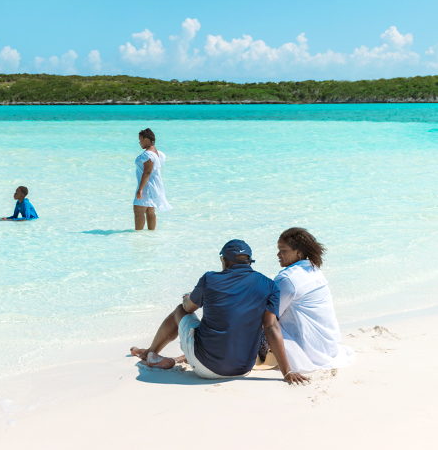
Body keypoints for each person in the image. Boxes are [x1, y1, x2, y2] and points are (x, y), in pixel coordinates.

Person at [130, 239, 308, 384]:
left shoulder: (210, 279)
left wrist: (188, 297)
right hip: (243, 368)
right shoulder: (269, 285)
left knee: (179, 311)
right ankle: (157, 354)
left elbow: (187, 308)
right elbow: (271, 328)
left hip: (205, 368)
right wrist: (287, 372)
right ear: (249, 261)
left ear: (225, 260)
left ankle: (150, 353)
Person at [273, 227, 354, 373]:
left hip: (308, 351)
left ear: (298, 252)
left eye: (283, 250)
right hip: (329, 347)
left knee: (261, 318)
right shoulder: (313, 269)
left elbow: (271, 315)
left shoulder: (288, 279)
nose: (278, 254)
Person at [133, 128, 171, 231]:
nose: (139, 142)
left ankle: (138, 236)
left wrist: (140, 189)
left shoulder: (148, 154)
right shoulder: (158, 153)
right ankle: (151, 236)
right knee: (150, 211)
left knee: (138, 211)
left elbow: (147, 172)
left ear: (146, 139)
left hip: (147, 186)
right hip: (153, 186)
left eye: (140, 140)